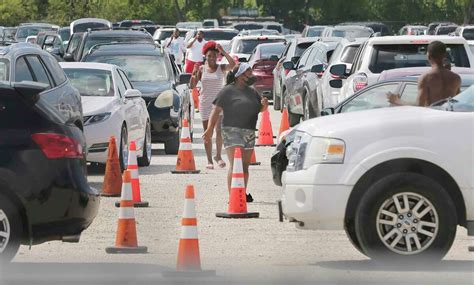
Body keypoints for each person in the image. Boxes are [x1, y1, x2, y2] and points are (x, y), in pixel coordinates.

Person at [203, 63, 269, 202]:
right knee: (235, 165)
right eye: (248, 71)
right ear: (239, 75)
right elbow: (215, 111)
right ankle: (232, 196)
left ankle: (241, 194)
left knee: (245, 166)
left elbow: (260, 110)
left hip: (249, 131)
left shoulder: (252, 92)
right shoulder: (227, 91)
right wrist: (209, 130)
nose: (251, 73)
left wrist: (264, 105)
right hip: (231, 130)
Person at [190, 41, 236, 169]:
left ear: (217, 57)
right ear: (205, 56)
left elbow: (233, 65)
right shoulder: (201, 69)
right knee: (207, 133)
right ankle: (209, 160)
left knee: (219, 130)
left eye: (214, 56)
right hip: (205, 103)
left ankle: (218, 156)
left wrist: (223, 52)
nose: (211, 58)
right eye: (209, 55)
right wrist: (193, 74)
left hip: (219, 104)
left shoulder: (221, 68)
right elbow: (192, 86)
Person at [388, 41, 461, 106]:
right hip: (450, 118)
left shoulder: (426, 78)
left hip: (432, 118)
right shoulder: (456, 78)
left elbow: (419, 105)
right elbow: (458, 102)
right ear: (444, 55)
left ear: (429, 56)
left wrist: (397, 101)